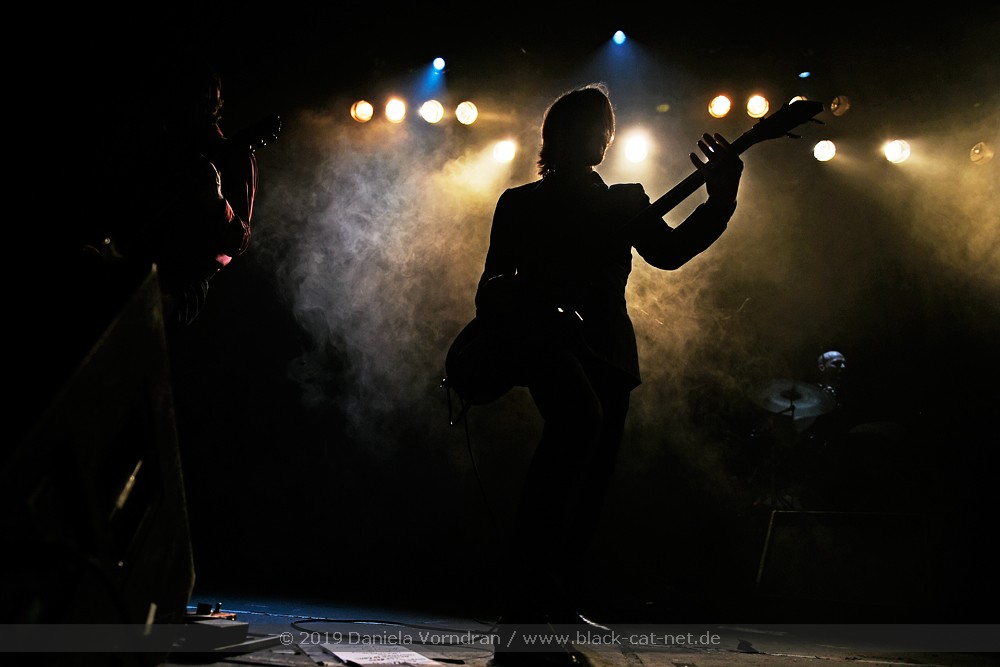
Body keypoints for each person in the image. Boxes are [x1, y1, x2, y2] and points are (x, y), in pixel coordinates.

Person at [472, 83, 743, 666]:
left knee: (587, 485)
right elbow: (489, 286)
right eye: (594, 126)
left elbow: (669, 252)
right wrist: (522, 310)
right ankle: (523, 611)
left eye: (606, 127)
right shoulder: (519, 203)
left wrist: (721, 200)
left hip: (610, 355)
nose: (603, 136)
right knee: (573, 439)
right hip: (550, 348)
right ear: (560, 136)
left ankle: (552, 602)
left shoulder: (624, 200)